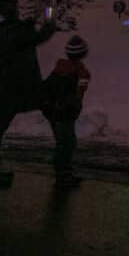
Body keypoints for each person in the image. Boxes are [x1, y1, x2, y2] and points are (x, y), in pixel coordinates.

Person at [0, 0, 56, 191]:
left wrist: (25, 26)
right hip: (9, 91)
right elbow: (38, 36)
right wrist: (50, 19)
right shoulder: (14, 32)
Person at [41, 35, 91, 189]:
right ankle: (63, 177)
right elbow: (78, 94)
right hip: (65, 114)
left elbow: (46, 88)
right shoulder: (82, 73)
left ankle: (63, 175)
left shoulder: (58, 69)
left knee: (63, 144)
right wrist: (66, 104)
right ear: (83, 53)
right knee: (66, 145)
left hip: (53, 113)